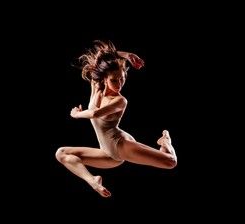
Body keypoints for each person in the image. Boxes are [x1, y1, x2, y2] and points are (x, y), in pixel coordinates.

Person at [55, 39, 177, 198]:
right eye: (114, 80)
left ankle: (166, 142)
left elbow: (94, 114)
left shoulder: (120, 101)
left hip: (119, 144)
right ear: (104, 78)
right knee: (61, 153)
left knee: (170, 162)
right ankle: (93, 181)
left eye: (122, 78)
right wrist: (127, 55)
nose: (119, 83)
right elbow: (101, 57)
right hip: (107, 153)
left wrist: (77, 114)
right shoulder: (96, 85)